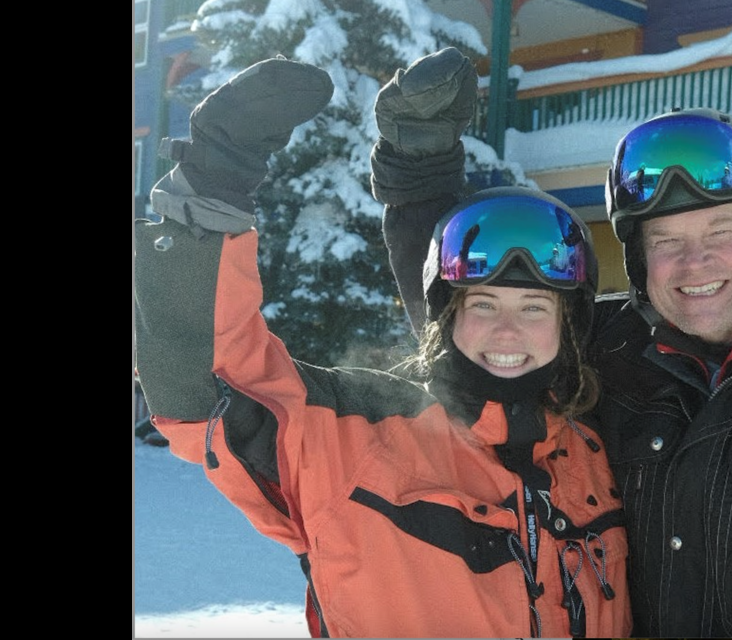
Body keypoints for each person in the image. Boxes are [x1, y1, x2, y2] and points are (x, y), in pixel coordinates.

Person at [134, 57, 631, 638]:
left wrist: (420, 181)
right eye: (482, 306)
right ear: (449, 317)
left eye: (533, 309)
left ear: (569, 325)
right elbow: (208, 383)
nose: (507, 333)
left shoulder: (599, 443)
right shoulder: (355, 441)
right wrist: (212, 184)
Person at [370, 47, 732, 637]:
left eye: (720, 231)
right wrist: (419, 180)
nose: (695, 263)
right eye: (665, 242)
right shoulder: (601, 354)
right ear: (638, 262)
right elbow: (477, 341)